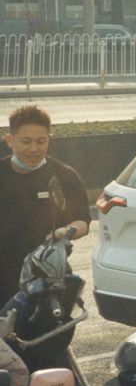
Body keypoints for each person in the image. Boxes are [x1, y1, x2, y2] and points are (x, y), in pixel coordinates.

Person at [0, 105, 89, 291]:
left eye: (41, 141)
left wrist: (64, 232)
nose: (34, 149)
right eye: (26, 141)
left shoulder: (64, 175)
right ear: (9, 140)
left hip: (48, 275)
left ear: (50, 140)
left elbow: (82, 220)